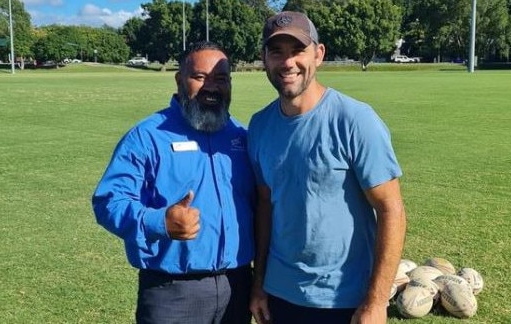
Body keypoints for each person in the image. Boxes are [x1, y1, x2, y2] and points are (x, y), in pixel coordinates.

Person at [248, 11, 407, 324]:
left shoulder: (355, 120)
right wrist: (259, 284)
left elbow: (392, 210)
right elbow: (265, 207)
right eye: (276, 52)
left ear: (318, 54)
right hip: (280, 296)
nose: (287, 62)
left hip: (343, 299)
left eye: (298, 51)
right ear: (264, 59)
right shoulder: (259, 125)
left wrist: (375, 303)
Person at [92, 41, 255, 324]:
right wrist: (159, 222)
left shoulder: (241, 136)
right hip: (172, 293)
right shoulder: (147, 136)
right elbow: (109, 201)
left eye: (221, 79)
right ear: (180, 79)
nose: (211, 87)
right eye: (200, 77)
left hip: (237, 286)